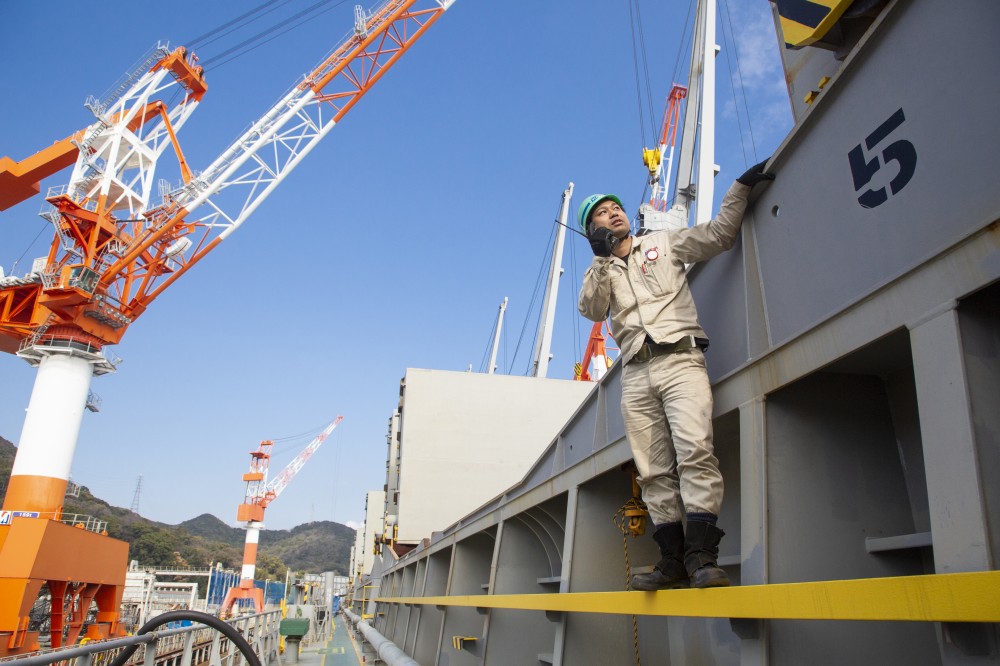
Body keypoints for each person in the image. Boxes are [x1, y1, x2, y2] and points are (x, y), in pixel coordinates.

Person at [577, 160, 775, 590]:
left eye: (615, 207)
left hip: (681, 361)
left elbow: (720, 235)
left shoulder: (663, 244)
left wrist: (739, 188)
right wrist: (600, 261)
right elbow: (591, 310)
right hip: (635, 373)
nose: (612, 213)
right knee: (652, 471)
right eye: (600, 214)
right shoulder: (602, 272)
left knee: (695, 451)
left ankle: (702, 556)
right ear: (592, 231)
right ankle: (671, 561)